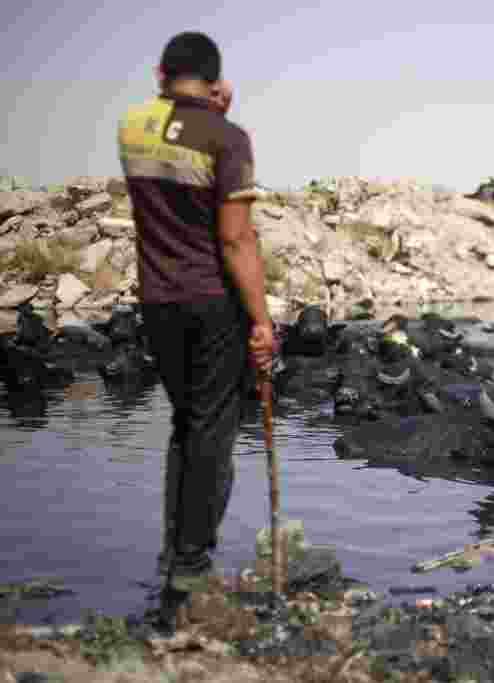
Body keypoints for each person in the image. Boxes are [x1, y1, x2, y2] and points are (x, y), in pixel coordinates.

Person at [117, 32, 274, 600]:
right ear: (215, 80)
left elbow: (176, 138)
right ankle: (191, 562)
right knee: (213, 429)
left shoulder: (131, 128)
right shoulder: (228, 138)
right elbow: (234, 241)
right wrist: (260, 319)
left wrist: (204, 108)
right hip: (212, 302)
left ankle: (173, 550)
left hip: (157, 302)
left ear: (160, 72)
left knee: (184, 424)